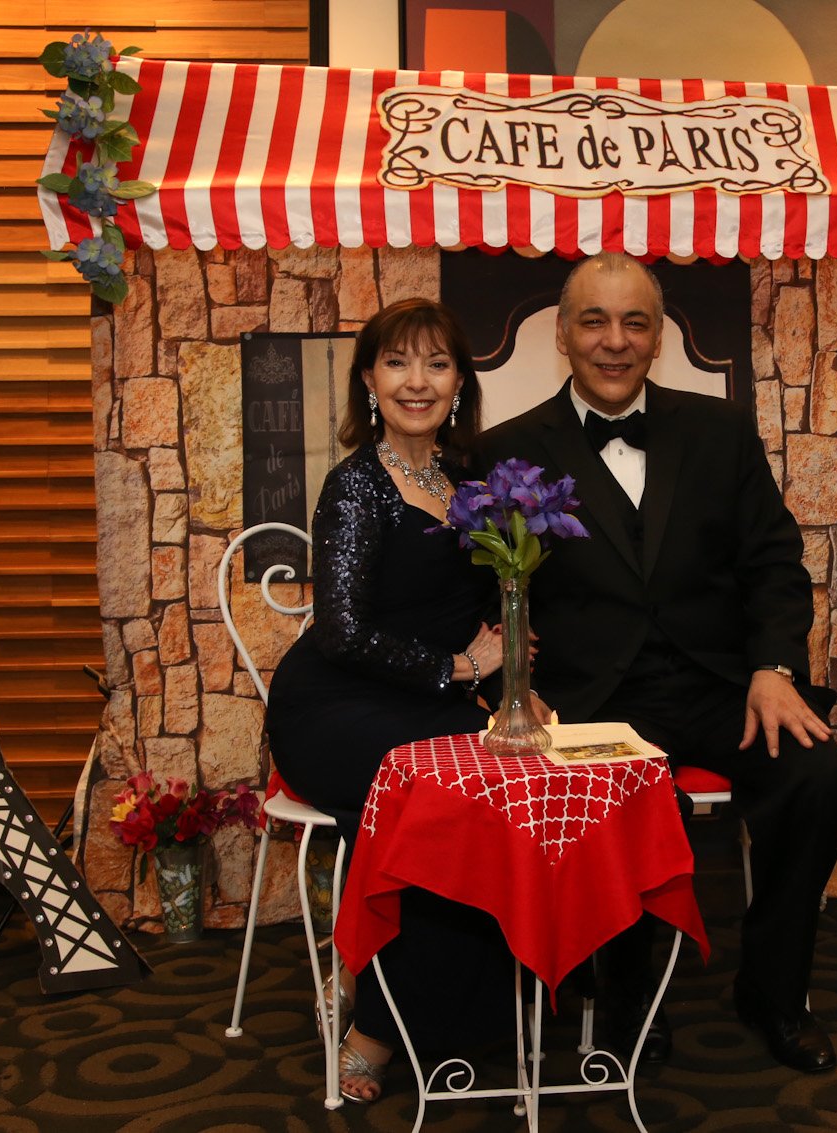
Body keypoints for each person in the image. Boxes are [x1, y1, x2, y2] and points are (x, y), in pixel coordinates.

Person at [477, 252, 837, 1073]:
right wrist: (515, 685)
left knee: (819, 778)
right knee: (634, 797)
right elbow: (485, 593)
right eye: (594, 321)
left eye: (635, 323)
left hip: (724, 684)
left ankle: (774, 992)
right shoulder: (507, 452)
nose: (614, 341)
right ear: (562, 334)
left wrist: (774, 668)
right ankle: (627, 1003)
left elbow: (774, 563)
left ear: (659, 338)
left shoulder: (722, 430)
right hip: (593, 698)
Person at [266, 298, 510, 1103]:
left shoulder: (470, 480)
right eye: (398, 362)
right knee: (429, 798)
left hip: (431, 699)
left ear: (459, 380)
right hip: (336, 705)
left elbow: (488, 604)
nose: (417, 381)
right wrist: (458, 667)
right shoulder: (355, 486)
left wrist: (512, 676)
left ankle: (430, 1001)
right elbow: (340, 633)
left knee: (498, 788)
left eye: (437, 363)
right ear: (369, 379)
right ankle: (372, 1026)